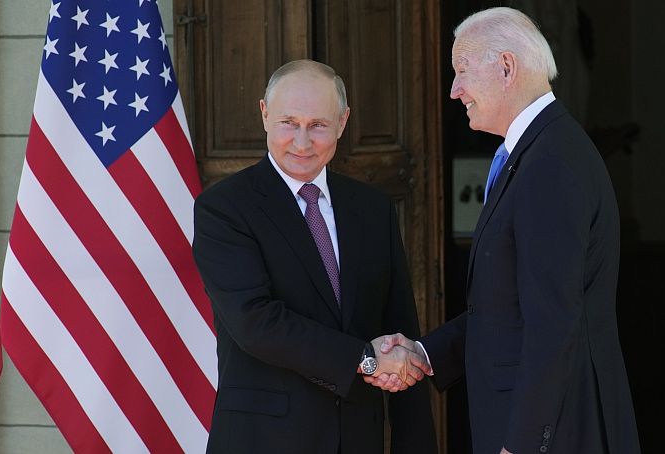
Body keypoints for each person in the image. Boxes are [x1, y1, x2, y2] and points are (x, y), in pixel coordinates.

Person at [368, 7, 641, 454]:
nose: (454, 90)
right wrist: (425, 354)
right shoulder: (538, 151)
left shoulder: (549, 164)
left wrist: (523, 444)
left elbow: (552, 322)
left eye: (461, 71)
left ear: (507, 67)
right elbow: (508, 305)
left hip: (555, 435)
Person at [192, 59, 437, 454]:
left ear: (342, 122)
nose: (302, 142)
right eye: (289, 123)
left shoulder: (373, 208)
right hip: (263, 442)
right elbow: (256, 322)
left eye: (318, 125)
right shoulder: (224, 209)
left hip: (358, 439)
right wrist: (364, 359)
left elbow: (400, 330)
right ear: (264, 114)